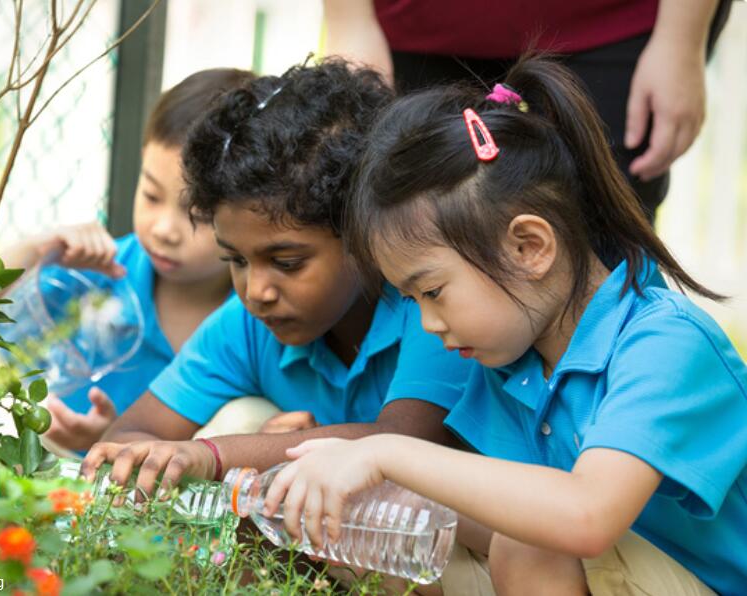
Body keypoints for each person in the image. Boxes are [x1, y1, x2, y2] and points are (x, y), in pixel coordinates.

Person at [262, 57, 747, 595]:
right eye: (411, 300)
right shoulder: (515, 364)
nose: (428, 325)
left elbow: (586, 516)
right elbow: (490, 518)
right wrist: (355, 490)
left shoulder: (665, 343)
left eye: (434, 292)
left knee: (532, 541)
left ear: (529, 247)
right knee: (391, 539)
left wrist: (383, 452)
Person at [79, 60, 474, 499]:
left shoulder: (429, 304)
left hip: (468, 543)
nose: (256, 291)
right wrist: (239, 450)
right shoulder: (248, 326)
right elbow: (132, 432)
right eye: (236, 260)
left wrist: (217, 455)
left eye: (287, 262)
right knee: (243, 420)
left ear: (362, 232)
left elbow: (403, 441)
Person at [0, 68, 254, 453]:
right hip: (48, 487)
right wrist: (35, 250)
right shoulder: (91, 273)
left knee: (253, 415)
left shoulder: (262, 313)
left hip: (181, 505)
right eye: (151, 195)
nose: (165, 228)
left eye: (198, 215)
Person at [322, 0, 734, 222]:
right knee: (416, 240)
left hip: (612, 24)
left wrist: (682, 39)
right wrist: (349, 16)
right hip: (415, 28)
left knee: (603, 249)